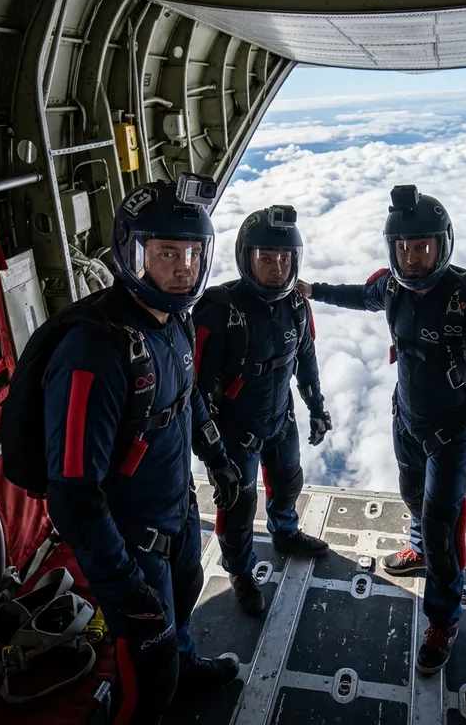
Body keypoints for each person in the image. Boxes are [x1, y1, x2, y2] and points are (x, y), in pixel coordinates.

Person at [42, 178, 243, 724]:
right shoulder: (96, 352)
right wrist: (123, 585)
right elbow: (72, 494)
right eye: (167, 254)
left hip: (176, 519)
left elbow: (186, 401)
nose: (184, 267)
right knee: (147, 680)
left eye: (193, 253)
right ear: (132, 255)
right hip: (133, 546)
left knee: (183, 607)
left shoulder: (171, 321)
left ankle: (185, 671)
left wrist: (217, 456)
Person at [298, 185, 466, 674]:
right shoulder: (391, 287)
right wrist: (315, 291)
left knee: (441, 525)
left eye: (423, 247)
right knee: (413, 498)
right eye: (404, 249)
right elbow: (359, 295)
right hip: (407, 420)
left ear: (443, 244)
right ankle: (419, 552)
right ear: (392, 250)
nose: (413, 259)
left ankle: (443, 618)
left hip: (453, 433)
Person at [192, 204, 332, 617]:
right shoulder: (219, 310)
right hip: (234, 431)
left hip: (281, 419)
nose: (277, 268)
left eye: (285, 259)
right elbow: (193, 394)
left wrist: (317, 408)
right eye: (266, 258)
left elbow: (305, 360)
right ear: (245, 258)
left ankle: (285, 533)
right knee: (236, 507)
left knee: (288, 483)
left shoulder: (296, 305)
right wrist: (213, 457)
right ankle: (239, 570)